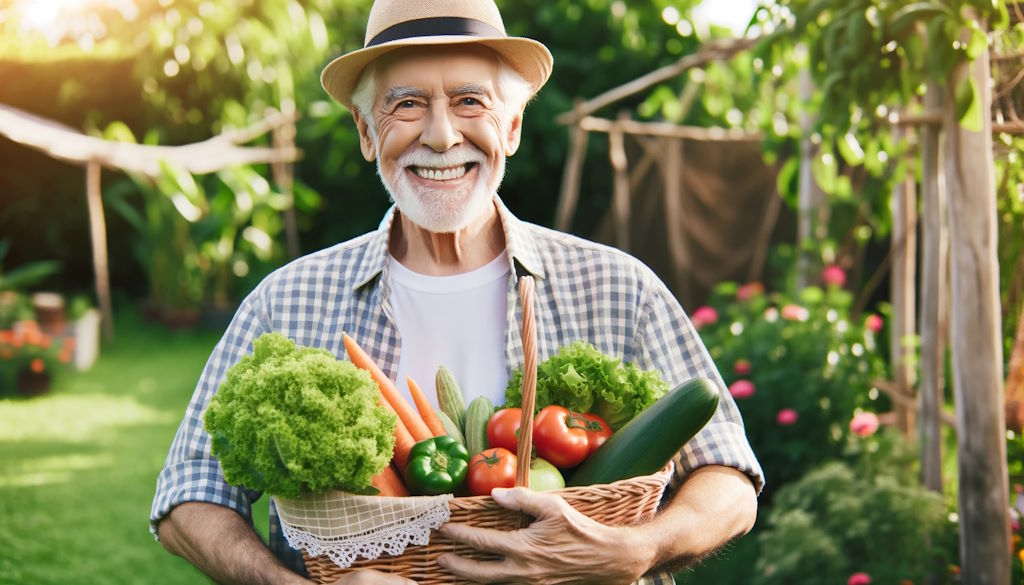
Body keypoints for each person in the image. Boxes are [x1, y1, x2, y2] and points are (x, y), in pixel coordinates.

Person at [150, 1, 764, 584]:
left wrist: (639, 548)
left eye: (471, 101)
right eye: (408, 104)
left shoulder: (618, 287)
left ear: (514, 125)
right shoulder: (286, 301)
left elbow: (728, 476)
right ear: (367, 132)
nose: (442, 136)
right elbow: (187, 494)